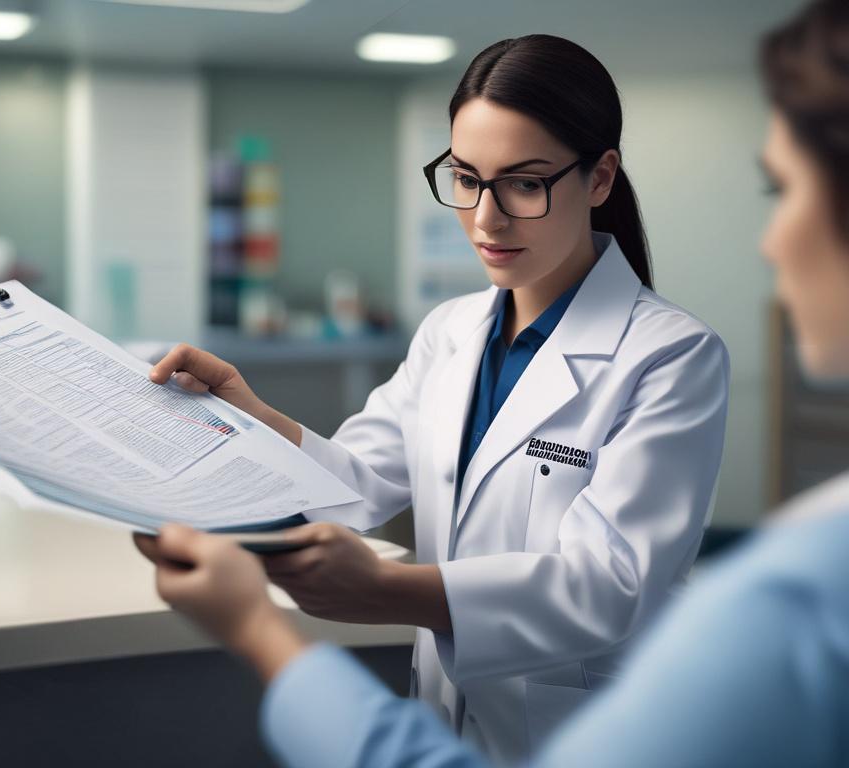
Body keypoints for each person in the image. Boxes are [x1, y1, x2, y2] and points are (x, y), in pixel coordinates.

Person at [135, 1, 849, 766]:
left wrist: (385, 593)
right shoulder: (450, 330)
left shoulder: (671, 355)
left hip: (576, 727)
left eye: (524, 185)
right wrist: (249, 416)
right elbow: (359, 483)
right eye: (467, 179)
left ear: (600, 175)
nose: (485, 218)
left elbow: (606, 586)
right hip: (443, 712)